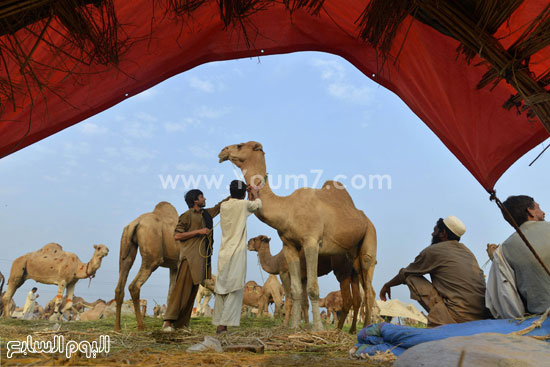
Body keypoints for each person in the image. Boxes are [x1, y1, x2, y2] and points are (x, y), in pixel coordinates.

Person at [379, 216, 488, 327]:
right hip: (481, 317)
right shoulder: (468, 253)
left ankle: (439, 321)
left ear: (443, 233)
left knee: (410, 276)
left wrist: (386, 286)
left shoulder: (434, 250)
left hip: (456, 316)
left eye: (434, 231)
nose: (432, 234)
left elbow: (405, 273)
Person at [162, 189, 228, 331]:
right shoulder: (186, 216)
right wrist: (199, 232)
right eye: (201, 196)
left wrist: (234, 196)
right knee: (180, 291)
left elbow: (219, 207)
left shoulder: (206, 214)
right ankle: (167, 322)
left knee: (192, 294)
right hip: (189, 259)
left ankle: (182, 325)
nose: (205, 198)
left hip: (202, 261)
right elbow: (177, 236)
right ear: (195, 201)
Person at [487, 195, 550, 317]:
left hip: (542, 319)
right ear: (530, 211)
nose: (543, 213)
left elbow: (507, 299)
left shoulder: (504, 250)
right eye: (538, 207)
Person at [212, 180, 261, 334]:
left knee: (221, 289)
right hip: (236, 253)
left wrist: (244, 194)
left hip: (223, 252)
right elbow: (257, 204)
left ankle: (219, 323)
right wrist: (254, 192)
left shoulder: (224, 206)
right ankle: (223, 326)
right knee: (234, 288)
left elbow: (243, 204)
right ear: (241, 193)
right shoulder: (243, 205)